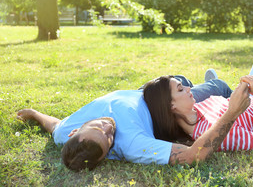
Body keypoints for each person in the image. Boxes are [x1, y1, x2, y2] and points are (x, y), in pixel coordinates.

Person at [16, 72, 232, 171]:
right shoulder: (132, 145)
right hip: (164, 107)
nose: (108, 128)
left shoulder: (64, 133)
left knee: (180, 79)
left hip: (144, 91)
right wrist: (234, 111)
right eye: (108, 138)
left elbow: (52, 125)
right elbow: (194, 155)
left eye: (97, 127)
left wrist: (35, 114)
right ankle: (208, 86)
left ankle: (186, 83)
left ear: (75, 132)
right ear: (107, 153)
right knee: (219, 86)